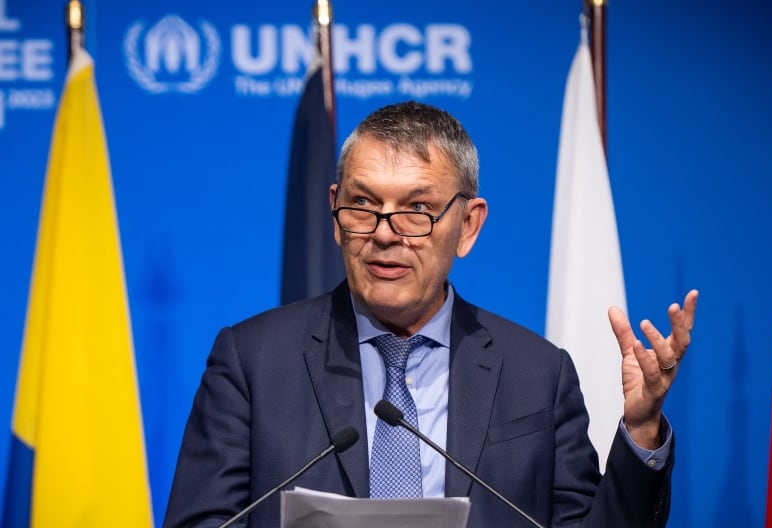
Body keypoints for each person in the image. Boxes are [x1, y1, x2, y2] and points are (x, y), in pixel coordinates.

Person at [163, 101, 698, 527]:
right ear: (334, 214)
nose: (385, 233)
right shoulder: (254, 362)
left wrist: (642, 427)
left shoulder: (537, 374)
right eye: (363, 205)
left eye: (417, 210)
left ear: (467, 225)